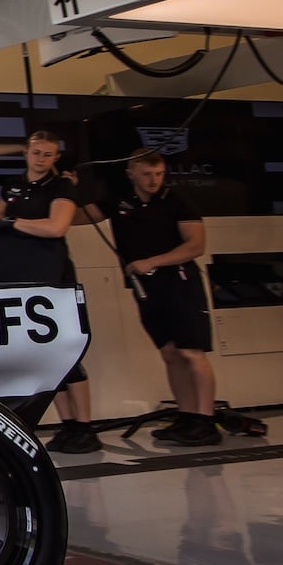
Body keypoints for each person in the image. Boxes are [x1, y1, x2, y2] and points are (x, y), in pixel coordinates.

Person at [0, 130, 98, 453]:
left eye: (48, 154)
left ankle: (85, 426)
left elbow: (56, 227)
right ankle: (69, 424)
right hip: (16, 277)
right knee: (41, 355)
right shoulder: (13, 185)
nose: (41, 159)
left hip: (50, 278)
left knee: (65, 352)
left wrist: (14, 223)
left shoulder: (60, 186)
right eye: (36, 152)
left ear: (55, 157)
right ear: (26, 153)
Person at [80, 149, 221, 446]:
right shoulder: (120, 202)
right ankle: (186, 416)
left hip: (180, 283)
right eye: (147, 174)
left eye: (158, 174)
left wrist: (153, 261)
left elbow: (196, 245)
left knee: (191, 352)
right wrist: (70, 188)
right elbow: (82, 216)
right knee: (169, 353)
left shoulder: (176, 201)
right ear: (131, 172)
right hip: (147, 288)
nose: (153, 180)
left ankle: (206, 421)